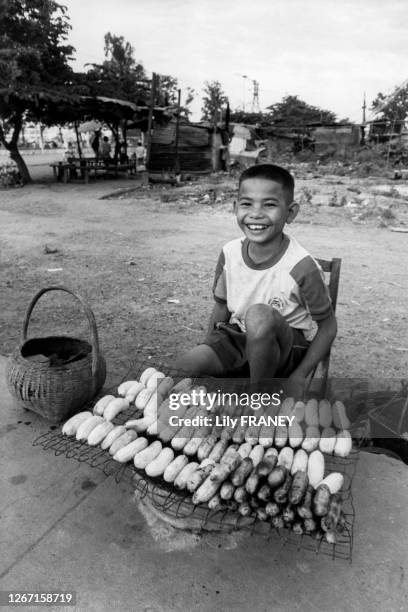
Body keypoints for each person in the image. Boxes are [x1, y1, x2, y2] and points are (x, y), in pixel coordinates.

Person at [175, 163, 337, 396]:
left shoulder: (302, 267)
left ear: (290, 213)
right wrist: (210, 346)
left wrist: (299, 375)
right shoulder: (229, 253)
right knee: (181, 368)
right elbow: (221, 306)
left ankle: (261, 399)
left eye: (269, 204)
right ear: (235, 208)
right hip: (238, 338)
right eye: (246, 204)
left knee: (259, 314)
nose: (256, 213)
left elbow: (328, 327)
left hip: (284, 349)